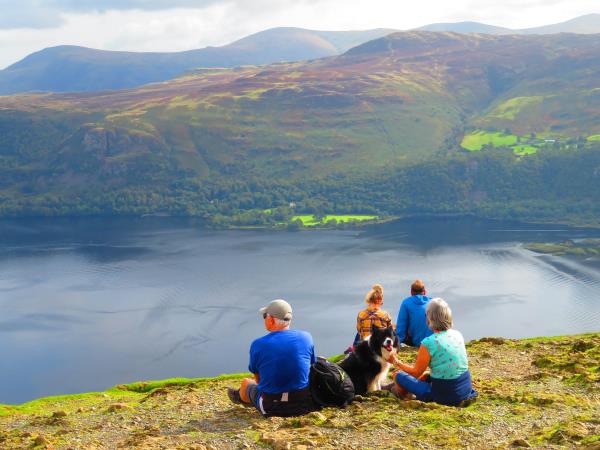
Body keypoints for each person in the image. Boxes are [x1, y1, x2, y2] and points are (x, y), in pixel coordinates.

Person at [227, 299, 318, 417]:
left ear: (270, 319)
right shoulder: (306, 337)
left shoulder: (258, 344)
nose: (264, 319)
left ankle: (240, 397)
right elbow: (310, 367)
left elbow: (259, 381)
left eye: (265, 316)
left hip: (271, 408)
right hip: (304, 405)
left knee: (246, 383)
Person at [387, 298, 478, 406]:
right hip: (464, 390)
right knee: (426, 375)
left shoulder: (428, 343)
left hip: (444, 396)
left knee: (398, 375)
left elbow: (416, 372)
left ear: (429, 319)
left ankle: (404, 395)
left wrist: (396, 362)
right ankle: (401, 388)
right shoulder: (457, 334)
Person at [396, 279, 433, 347]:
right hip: (432, 341)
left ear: (411, 292)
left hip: (415, 342)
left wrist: (398, 342)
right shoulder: (433, 303)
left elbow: (401, 325)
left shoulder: (406, 303)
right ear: (424, 292)